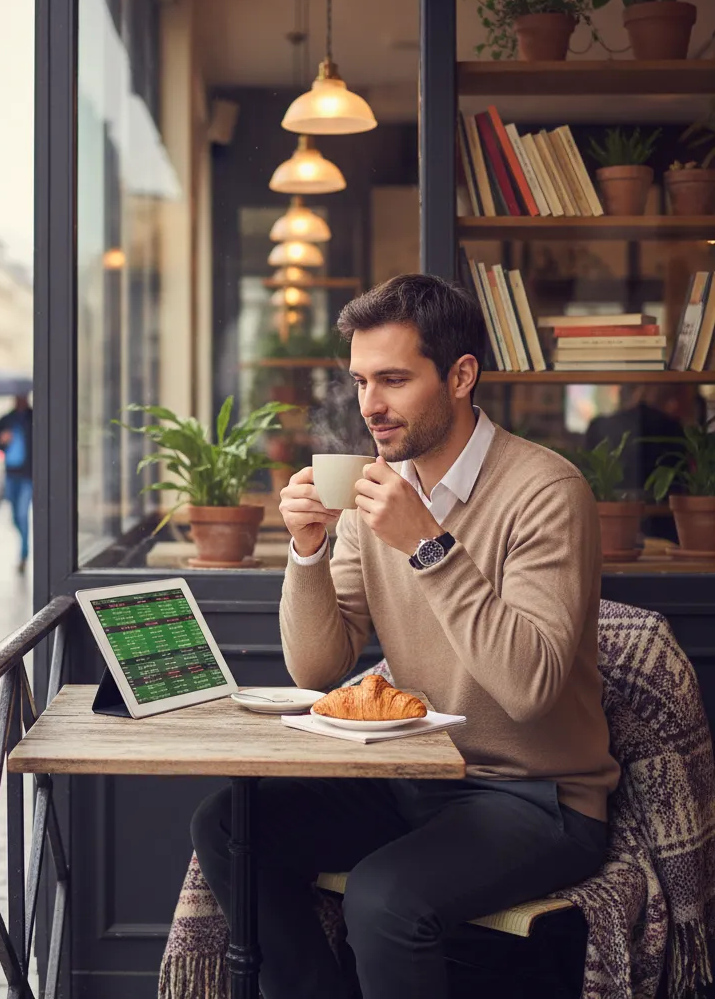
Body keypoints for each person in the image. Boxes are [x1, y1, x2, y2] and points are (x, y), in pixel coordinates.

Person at [191, 274, 619, 999]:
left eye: (393, 379)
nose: (370, 406)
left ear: (459, 376)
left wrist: (428, 545)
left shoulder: (547, 492)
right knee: (232, 826)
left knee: (384, 898)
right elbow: (319, 667)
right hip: (417, 778)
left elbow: (529, 689)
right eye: (360, 381)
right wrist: (306, 552)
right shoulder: (371, 496)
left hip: (537, 798)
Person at [584, 383, 693, 541]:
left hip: (610, 531)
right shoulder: (672, 426)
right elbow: (683, 485)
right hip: (664, 529)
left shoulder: (598, 426)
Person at [0, 394, 34, 573]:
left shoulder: (35, 417)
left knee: (23, 514)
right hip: (11, 473)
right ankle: (23, 545)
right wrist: (2, 441)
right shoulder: (5, 420)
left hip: (28, 474)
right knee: (15, 517)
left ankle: (24, 554)